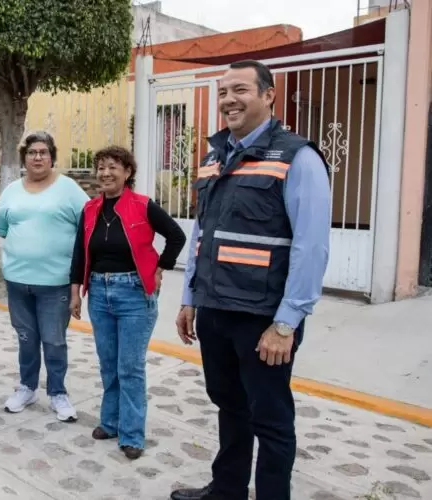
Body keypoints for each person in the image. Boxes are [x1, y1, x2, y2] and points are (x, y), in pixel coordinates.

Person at [170, 60, 330, 500]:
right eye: (222, 92)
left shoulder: (298, 157)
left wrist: (286, 323)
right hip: (216, 310)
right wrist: (189, 298)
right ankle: (228, 490)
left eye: (239, 90)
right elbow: (202, 231)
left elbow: (311, 247)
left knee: (271, 420)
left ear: (268, 95)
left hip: (263, 319)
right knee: (229, 407)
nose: (228, 100)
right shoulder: (213, 156)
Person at [69, 145, 185, 460]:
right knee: (109, 363)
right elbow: (81, 251)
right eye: (101, 167)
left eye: (113, 167)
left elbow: (176, 236)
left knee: (129, 366)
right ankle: (110, 422)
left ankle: (132, 434)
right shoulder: (90, 209)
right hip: (99, 292)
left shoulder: (143, 206)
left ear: (127, 172)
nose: (105, 173)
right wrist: (75, 290)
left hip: (134, 293)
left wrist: (161, 267)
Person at [0, 131, 89, 422]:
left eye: (43, 152)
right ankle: (27, 387)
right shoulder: (12, 191)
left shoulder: (69, 189)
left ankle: (58, 393)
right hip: (18, 281)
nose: (37, 157)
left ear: (52, 156)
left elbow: (88, 225)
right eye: (32, 152)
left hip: (56, 282)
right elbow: (2, 227)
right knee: (26, 338)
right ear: (24, 158)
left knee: (54, 340)